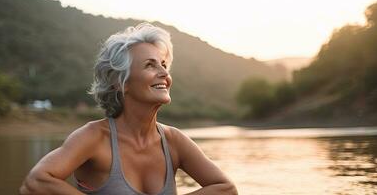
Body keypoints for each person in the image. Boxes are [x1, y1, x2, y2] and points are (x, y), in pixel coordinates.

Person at [19, 23, 238, 195]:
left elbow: (225, 189)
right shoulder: (94, 137)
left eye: (163, 64)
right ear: (121, 82)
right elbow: (36, 183)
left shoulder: (174, 141)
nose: (164, 73)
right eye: (150, 65)